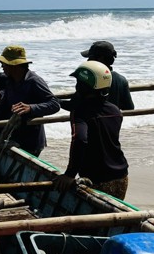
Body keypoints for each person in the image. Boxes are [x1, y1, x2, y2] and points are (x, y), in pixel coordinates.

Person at [54, 61, 129, 199]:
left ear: (82, 86)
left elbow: (80, 140)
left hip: (97, 178)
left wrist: (69, 174)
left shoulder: (81, 112)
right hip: (121, 176)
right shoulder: (114, 110)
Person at [0, 45, 61, 156]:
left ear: (14, 65)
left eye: (4, 64)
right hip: (15, 136)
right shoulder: (10, 81)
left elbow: (55, 104)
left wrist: (30, 108)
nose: (2, 66)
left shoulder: (34, 81)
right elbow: (2, 107)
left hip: (31, 140)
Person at [84, 41, 134, 110]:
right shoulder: (121, 80)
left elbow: (77, 105)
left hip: (89, 120)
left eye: (90, 57)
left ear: (100, 59)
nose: (88, 60)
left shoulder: (88, 78)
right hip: (113, 120)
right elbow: (129, 107)